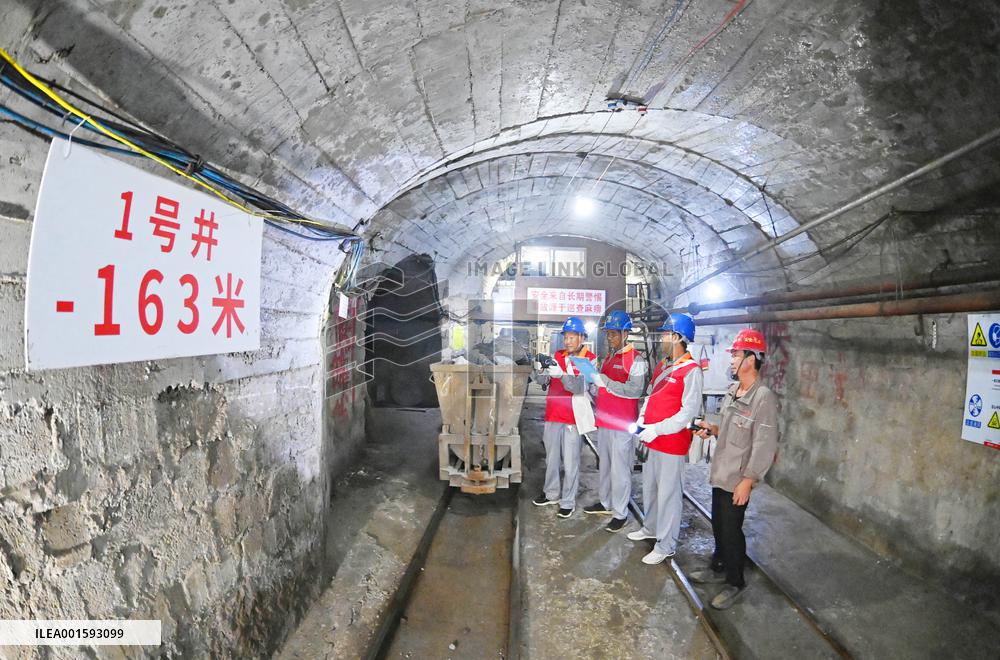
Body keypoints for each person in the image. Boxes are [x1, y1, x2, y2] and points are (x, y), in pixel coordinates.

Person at [690, 328, 779, 610]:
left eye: (736, 355)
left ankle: (735, 581)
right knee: (718, 522)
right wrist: (711, 429)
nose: (731, 361)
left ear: (751, 359)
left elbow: (764, 444)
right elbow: (729, 429)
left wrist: (748, 480)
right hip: (721, 471)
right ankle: (717, 565)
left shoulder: (762, 397)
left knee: (731, 530)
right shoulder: (733, 391)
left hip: (738, 476)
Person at [627, 313, 703, 565]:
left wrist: (657, 429)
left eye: (666, 335)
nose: (662, 339)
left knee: (669, 495)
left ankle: (666, 544)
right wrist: (641, 419)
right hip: (652, 440)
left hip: (671, 444)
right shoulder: (663, 366)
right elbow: (650, 397)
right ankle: (650, 528)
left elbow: (687, 413)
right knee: (650, 489)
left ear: (679, 338)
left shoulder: (691, 371)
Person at [585, 310, 647, 533]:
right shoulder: (609, 357)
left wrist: (606, 383)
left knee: (621, 470)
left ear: (625, 333)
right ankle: (606, 502)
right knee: (606, 466)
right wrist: (594, 386)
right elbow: (603, 386)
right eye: (608, 334)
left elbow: (635, 390)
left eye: (613, 334)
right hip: (604, 420)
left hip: (622, 424)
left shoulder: (636, 360)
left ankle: (620, 512)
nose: (609, 338)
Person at [532, 316, 598, 518]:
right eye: (566, 337)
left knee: (571, 462)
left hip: (573, 418)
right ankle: (551, 493)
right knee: (551, 459)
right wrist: (539, 369)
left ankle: (568, 501)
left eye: (572, 337)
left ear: (582, 338)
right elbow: (542, 381)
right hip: (553, 415)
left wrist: (561, 374)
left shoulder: (590, 359)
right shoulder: (558, 355)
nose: (567, 341)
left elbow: (581, 387)